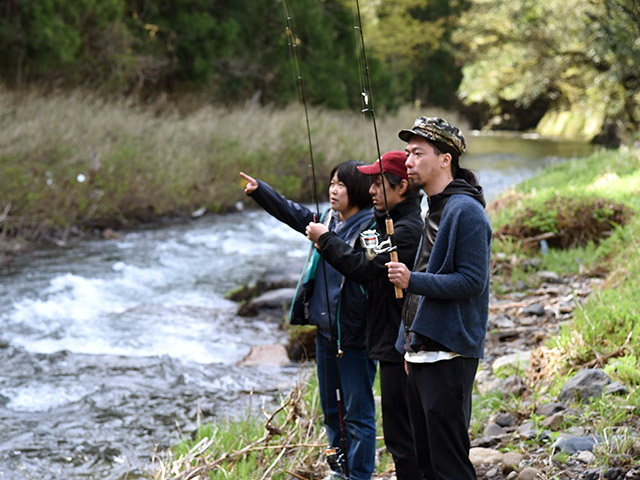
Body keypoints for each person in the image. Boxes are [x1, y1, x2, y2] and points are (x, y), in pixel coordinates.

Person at [239, 161, 376, 480]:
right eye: (331, 183)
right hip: (326, 332)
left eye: (341, 185)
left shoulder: (370, 227)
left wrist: (327, 238)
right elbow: (295, 214)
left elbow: (363, 269)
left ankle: (359, 475)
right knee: (331, 413)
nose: (333, 189)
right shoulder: (329, 218)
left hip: (355, 335)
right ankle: (337, 467)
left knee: (357, 414)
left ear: (356, 190)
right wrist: (262, 192)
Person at [305, 151, 423, 479]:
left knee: (403, 438)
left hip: (399, 342)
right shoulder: (384, 222)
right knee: (398, 435)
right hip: (386, 340)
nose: (370, 190)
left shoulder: (407, 230)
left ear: (401, 187)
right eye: (369, 183)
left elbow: (362, 268)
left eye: (378, 183)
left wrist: (325, 240)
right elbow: (362, 257)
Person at [386, 117, 492, 480]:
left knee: (450, 466)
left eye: (417, 153)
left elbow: (471, 281)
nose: (408, 161)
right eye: (407, 152)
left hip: (450, 353)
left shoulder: (466, 211)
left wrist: (412, 279)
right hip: (422, 351)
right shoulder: (432, 208)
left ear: (445, 159)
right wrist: (409, 344)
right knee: (427, 464)